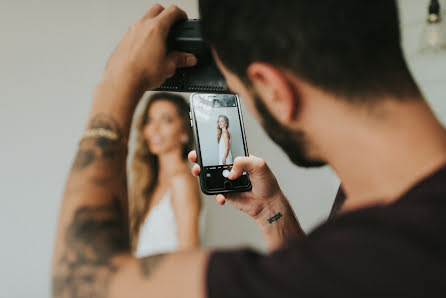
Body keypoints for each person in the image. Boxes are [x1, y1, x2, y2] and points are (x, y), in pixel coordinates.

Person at [51, 2, 446, 298]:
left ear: (274, 89)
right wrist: (271, 210)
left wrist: (116, 89)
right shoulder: (376, 211)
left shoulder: (385, 250)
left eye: (242, 92)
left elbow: (81, 282)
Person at [129, 92, 201, 257]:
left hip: (170, 281)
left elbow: (187, 257)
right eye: (150, 120)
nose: (154, 129)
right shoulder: (149, 184)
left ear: (183, 132)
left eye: (166, 120)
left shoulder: (181, 182)